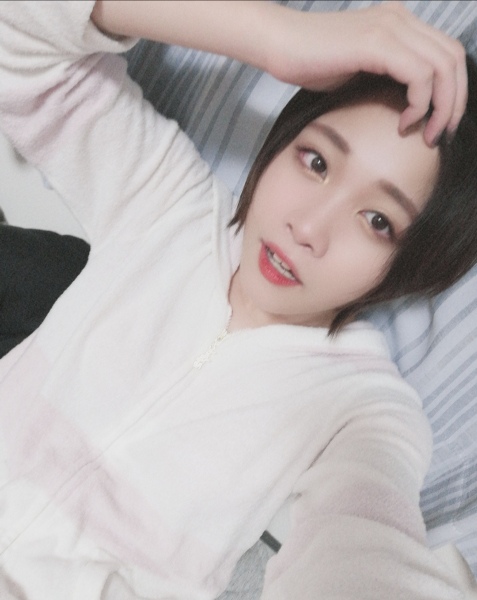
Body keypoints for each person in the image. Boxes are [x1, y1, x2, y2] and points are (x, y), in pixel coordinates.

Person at [0, 1, 475, 599]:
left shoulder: (364, 408)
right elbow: (17, 32)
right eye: (317, 161)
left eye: (378, 220)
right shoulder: (167, 201)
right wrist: (277, 36)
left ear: (413, 265)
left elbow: (367, 547)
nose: (309, 227)